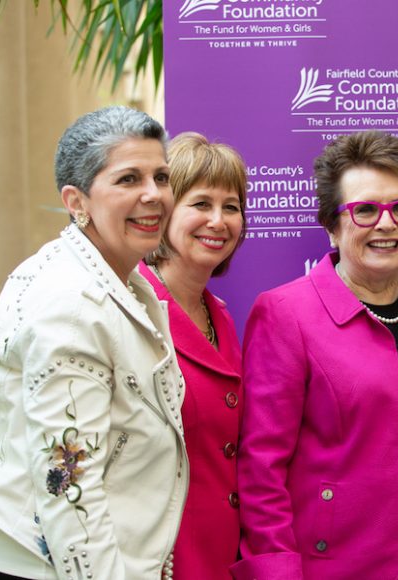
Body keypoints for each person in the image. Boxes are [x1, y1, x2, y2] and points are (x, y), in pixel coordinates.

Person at [0, 106, 187, 579]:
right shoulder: (71, 305)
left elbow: (8, 391)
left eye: (161, 176)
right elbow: (69, 488)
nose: (153, 195)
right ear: (76, 201)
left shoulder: (95, 272)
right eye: (128, 179)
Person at [232, 131, 398, 579]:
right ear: (333, 225)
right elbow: (261, 468)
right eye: (366, 210)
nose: (386, 224)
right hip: (328, 568)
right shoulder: (284, 314)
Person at [139, 132, 246, 579]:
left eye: (231, 207)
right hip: (155, 556)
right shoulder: (129, 308)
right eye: (201, 204)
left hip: (220, 554)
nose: (218, 221)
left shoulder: (221, 316)